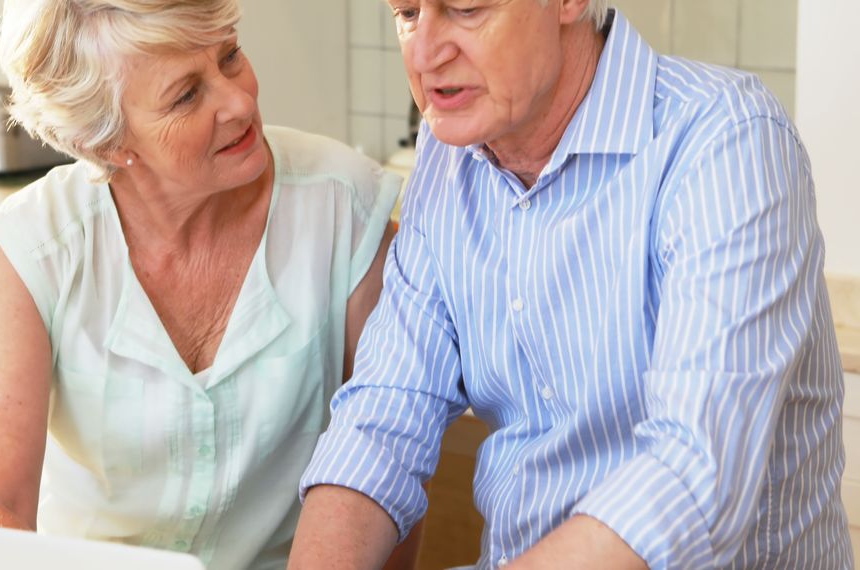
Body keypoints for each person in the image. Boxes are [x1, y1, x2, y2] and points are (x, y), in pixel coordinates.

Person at [291, 0, 852, 568]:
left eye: (463, 8)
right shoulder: (448, 158)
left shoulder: (726, 139)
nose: (425, 52)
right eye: (408, 13)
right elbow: (380, 423)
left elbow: (693, 477)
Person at [0, 1, 419, 569]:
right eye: (187, 95)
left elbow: (389, 470)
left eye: (230, 56)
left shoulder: (349, 212)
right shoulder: (30, 251)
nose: (240, 102)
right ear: (108, 143)